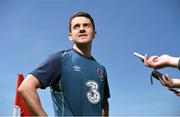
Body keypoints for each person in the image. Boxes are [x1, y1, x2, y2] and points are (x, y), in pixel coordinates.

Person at [18, 12, 110, 116]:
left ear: (94, 34)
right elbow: (25, 87)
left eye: (86, 25)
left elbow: (104, 103)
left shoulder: (101, 69)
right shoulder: (60, 59)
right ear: (70, 36)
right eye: (76, 26)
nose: (81, 29)